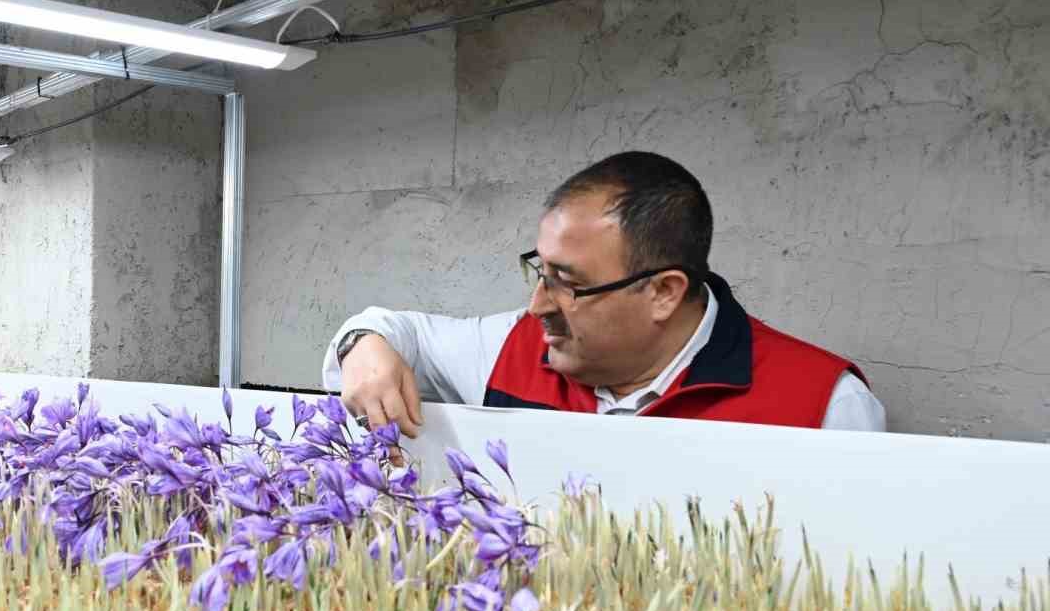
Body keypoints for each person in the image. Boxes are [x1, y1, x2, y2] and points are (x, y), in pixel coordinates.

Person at [324, 151, 885, 436]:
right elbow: (394, 332)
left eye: (570, 283)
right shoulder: (512, 352)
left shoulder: (823, 406)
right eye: (539, 271)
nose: (537, 305)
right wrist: (365, 344)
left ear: (664, 292)